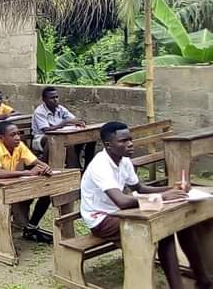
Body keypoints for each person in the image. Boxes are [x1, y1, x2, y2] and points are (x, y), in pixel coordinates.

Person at [81, 121, 212, 289]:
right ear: (108, 145)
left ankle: (203, 279)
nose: (130, 144)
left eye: (130, 139)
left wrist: (173, 188)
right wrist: (162, 196)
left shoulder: (123, 159)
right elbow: (121, 201)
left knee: (182, 225)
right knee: (164, 232)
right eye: (123, 141)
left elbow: (140, 188)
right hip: (101, 219)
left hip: (120, 211)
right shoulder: (100, 166)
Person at [0, 121, 54, 243]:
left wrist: (45, 167)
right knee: (16, 201)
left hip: (11, 183)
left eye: (18, 134)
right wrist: (27, 173)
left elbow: (36, 162)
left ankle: (31, 227)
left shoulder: (19, 146)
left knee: (45, 194)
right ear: (1, 138)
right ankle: (5, 237)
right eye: (12, 135)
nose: (17, 137)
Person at [31, 86, 96, 169]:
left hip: (60, 135)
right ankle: (73, 168)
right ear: (44, 99)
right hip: (41, 138)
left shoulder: (60, 108)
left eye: (56, 97)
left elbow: (73, 119)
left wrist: (78, 122)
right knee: (66, 142)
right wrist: (64, 123)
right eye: (52, 98)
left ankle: (86, 167)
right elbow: (46, 129)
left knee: (89, 139)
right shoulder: (39, 112)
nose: (55, 100)